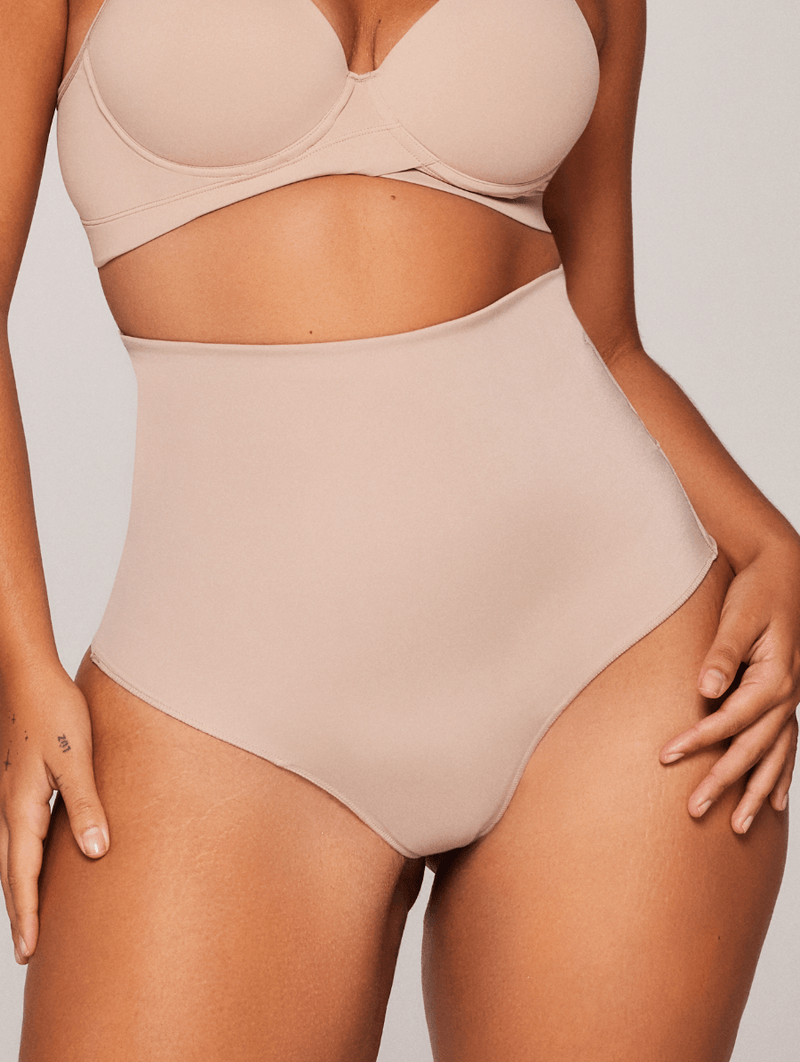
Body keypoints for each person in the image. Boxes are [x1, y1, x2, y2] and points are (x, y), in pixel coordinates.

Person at [1, 0, 799, 1059]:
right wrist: (20, 669)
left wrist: (774, 548)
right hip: (217, 694)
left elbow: (602, 331)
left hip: (614, 653)